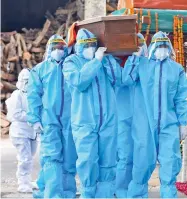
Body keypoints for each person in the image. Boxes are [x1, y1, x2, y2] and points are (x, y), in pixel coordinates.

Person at [123, 31, 187, 198]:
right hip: (144, 125)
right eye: (159, 45)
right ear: (152, 47)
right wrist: (134, 59)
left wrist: (183, 122)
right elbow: (127, 79)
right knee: (141, 165)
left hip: (168, 125)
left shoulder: (176, 69)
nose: (162, 49)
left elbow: (181, 97)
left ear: (169, 47)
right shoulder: (142, 65)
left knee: (169, 164)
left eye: (165, 45)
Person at [63, 28, 121, 198]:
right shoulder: (71, 62)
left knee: (108, 161)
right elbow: (79, 81)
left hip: (108, 120)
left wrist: (110, 60)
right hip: (84, 121)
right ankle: (88, 194)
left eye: (93, 45)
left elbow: (120, 79)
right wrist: (96, 61)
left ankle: (105, 195)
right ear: (79, 46)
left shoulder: (104, 61)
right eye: (86, 45)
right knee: (87, 161)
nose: (90, 48)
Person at [27, 35, 77, 198]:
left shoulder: (70, 68)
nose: (58, 51)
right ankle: (54, 194)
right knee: (52, 157)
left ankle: (68, 192)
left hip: (70, 120)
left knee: (69, 157)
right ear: (49, 50)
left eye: (61, 48)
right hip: (49, 120)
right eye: (54, 48)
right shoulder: (40, 70)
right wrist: (34, 118)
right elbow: (33, 95)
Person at [115, 33, 148, 198]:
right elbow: (125, 80)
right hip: (123, 116)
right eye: (136, 45)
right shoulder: (123, 64)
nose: (139, 48)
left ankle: (137, 191)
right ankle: (121, 191)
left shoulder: (150, 65)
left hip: (142, 117)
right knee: (125, 156)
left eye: (141, 45)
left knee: (142, 156)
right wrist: (134, 60)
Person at [5, 69, 38, 193]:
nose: (27, 83)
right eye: (25, 81)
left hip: (31, 132)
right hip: (20, 132)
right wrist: (32, 116)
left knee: (30, 156)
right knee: (24, 158)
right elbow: (15, 114)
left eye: (29, 81)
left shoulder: (33, 95)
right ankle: (23, 183)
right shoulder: (17, 95)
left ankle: (27, 180)